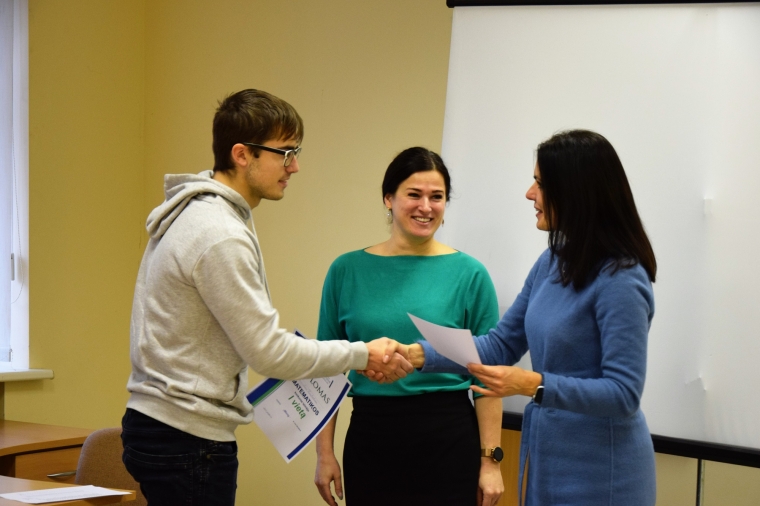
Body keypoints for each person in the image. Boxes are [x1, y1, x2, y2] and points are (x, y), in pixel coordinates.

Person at [121, 89, 412, 506]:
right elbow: (269, 353)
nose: (295, 166)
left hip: (164, 426)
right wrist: (362, 354)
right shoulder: (219, 233)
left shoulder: (202, 213)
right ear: (242, 154)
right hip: (186, 438)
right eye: (285, 153)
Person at [403, 130, 658, 505]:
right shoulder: (552, 261)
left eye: (540, 183)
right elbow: (499, 346)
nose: (529, 193)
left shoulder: (621, 276)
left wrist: (531, 384)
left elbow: (623, 394)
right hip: (546, 460)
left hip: (603, 475)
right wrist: (416, 355)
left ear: (575, 191)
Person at [314, 147, 504, 506]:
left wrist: (490, 461)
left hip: (449, 441)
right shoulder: (346, 270)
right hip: (371, 439)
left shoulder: (470, 274)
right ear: (389, 198)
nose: (426, 207)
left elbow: (488, 376)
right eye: (414, 194)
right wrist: (324, 455)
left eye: (437, 197)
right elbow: (326, 369)